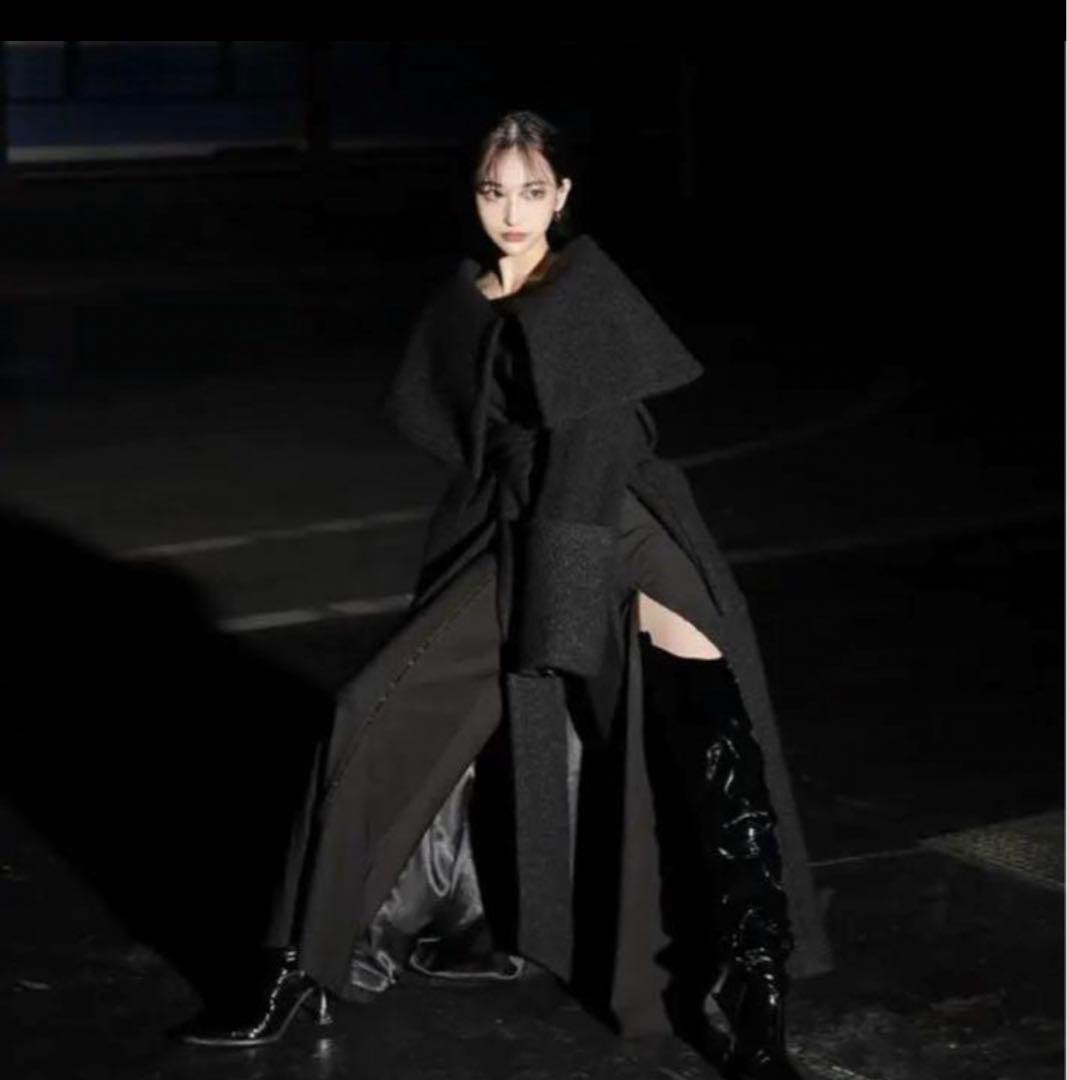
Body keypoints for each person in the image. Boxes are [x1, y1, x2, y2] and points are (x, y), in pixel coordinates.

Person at [174, 110, 832, 1079]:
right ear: (473, 197)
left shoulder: (587, 293)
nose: (512, 212)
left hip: (622, 528)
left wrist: (558, 617)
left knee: (710, 739)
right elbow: (473, 446)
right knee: (366, 711)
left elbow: (597, 456)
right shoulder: (467, 301)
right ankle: (298, 966)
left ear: (562, 196)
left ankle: (753, 989)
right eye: (494, 191)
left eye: (531, 191)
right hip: (517, 533)